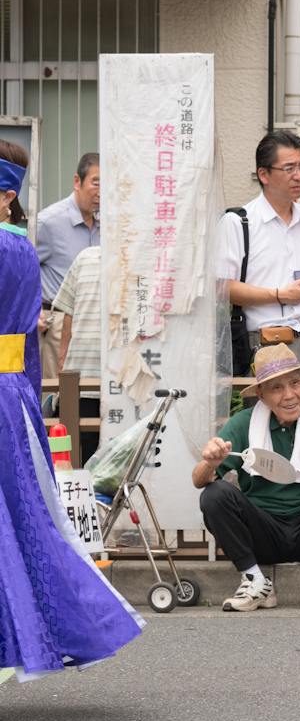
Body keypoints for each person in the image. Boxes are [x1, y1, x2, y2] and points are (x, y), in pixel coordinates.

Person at [0, 141, 143, 683]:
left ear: (6, 194)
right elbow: (27, 349)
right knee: (24, 523)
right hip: (11, 394)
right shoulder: (19, 247)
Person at [193, 343, 300, 612]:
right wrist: (210, 463)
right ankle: (255, 581)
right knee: (213, 494)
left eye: (295, 383)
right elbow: (197, 480)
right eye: (276, 388)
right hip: (263, 534)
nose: (289, 395)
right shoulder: (243, 423)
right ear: (262, 397)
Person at [220, 131, 300, 400]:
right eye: (289, 168)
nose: (299, 175)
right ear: (263, 174)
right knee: (268, 437)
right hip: (266, 348)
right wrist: (278, 295)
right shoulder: (239, 223)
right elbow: (222, 287)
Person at [35, 152, 101, 380]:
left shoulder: (111, 222)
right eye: (96, 183)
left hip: (99, 326)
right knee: (57, 398)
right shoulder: (48, 222)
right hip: (59, 323)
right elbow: (18, 273)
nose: (101, 193)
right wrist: (31, 313)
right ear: (77, 181)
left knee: (94, 401)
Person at [52, 246, 103, 466]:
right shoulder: (85, 256)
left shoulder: (145, 258)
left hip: (124, 379)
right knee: (77, 447)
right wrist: (63, 359)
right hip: (81, 370)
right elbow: (68, 315)